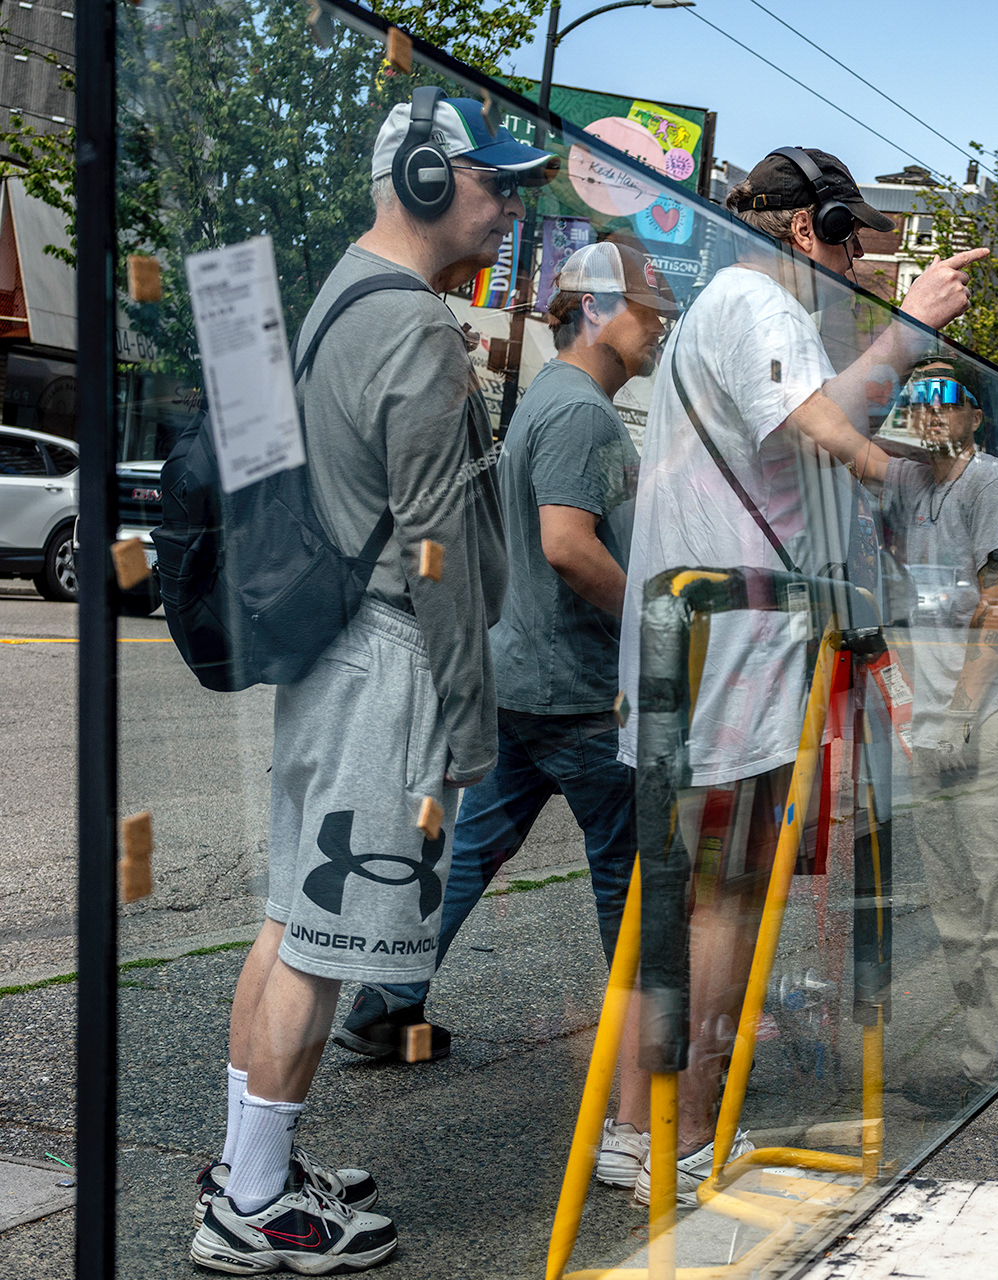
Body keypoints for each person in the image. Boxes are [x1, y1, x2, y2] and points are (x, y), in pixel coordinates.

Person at [191, 91, 553, 1274]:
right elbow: (439, 544)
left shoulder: (344, 292)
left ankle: (253, 1163)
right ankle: (254, 1206)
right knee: (325, 936)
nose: (510, 208)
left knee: (292, 913)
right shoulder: (411, 327)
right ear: (430, 180)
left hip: (337, 654)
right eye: (495, 183)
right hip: (390, 660)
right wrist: (465, 713)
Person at [615, 145, 987, 1206]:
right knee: (722, 899)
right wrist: (921, 448)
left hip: (700, 640)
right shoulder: (765, 305)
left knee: (680, 898)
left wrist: (900, 344)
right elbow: (831, 432)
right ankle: (685, 1139)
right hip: (734, 642)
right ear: (804, 229)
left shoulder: (722, 306)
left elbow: (816, 416)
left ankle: (638, 1129)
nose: (866, 261)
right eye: (855, 239)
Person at [330, 240, 678, 1187]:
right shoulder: (583, 416)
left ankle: (387, 1001)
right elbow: (567, 545)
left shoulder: (550, 403)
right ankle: (640, 1096)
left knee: (473, 848)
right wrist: (656, 628)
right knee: (639, 883)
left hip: (522, 678)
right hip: (581, 694)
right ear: (601, 308)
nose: (663, 320)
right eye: (652, 303)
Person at [884, 353, 998, 1108]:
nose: (929, 409)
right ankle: (978, 1056)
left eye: (946, 396)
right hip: (926, 719)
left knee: (992, 890)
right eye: (916, 396)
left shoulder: (991, 481)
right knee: (950, 901)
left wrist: (961, 712)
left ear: (974, 414)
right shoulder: (908, 479)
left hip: (979, 715)